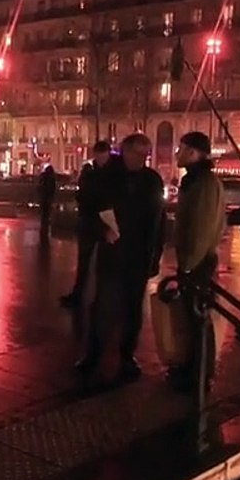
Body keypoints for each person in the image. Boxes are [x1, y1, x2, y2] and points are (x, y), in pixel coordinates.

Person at [76, 134, 165, 381]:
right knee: (104, 305)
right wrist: (102, 230)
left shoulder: (151, 180)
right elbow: (88, 209)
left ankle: (127, 355)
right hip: (113, 252)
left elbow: (158, 221)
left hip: (138, 254)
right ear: (124, 151)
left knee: (133, 309)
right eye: (137, 154)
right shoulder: (106, 177)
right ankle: (94, 353)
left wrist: (154, 255)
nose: (141, 159)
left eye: (145, 155)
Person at [168, 131, 225, 395]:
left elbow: (202, 226)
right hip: (194, 259)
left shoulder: (204, 183)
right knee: (192, 318)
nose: (177, 153)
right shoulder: (195, 181)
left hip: (198, 262)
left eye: (181, 148)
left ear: (193, 153)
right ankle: (193, 367)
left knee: (199, 318)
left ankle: (201, 373)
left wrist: (189, 264)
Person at [60, 141, 112, 308]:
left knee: (102, 264)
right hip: (90, 220)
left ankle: (100, 298)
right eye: (99, 155)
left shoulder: (108, 173)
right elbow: (82, 193)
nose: (101, 158)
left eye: (103, 155)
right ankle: (80, 294)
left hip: (103, 221)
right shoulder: (90, 172)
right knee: (84, 261)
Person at [38, 164, 58, 233]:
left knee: (43, 213)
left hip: (43, 198)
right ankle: (45, 227)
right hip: (47, 198)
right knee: (46, 213)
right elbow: (52, 188)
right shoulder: (51, 178)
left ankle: (43, 227)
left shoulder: (43, 177)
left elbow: (39, 187)